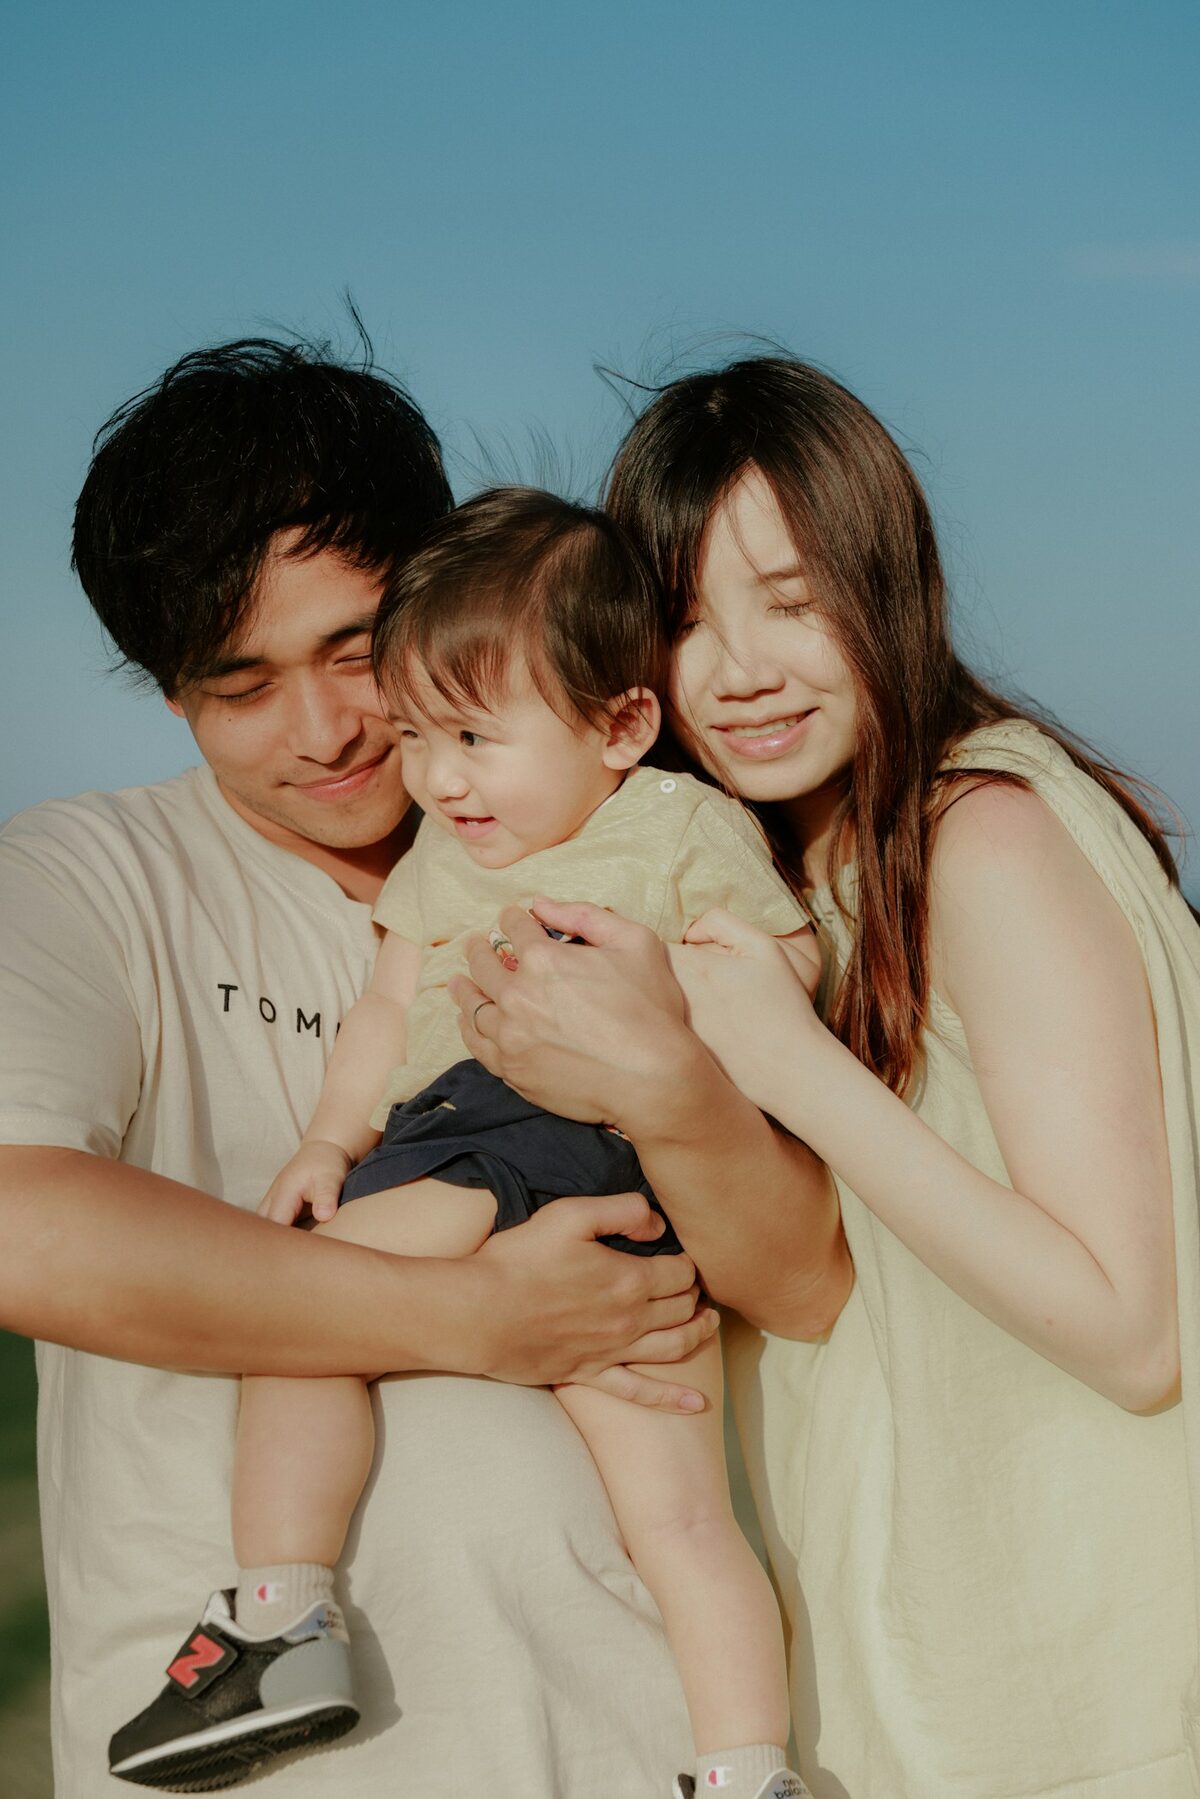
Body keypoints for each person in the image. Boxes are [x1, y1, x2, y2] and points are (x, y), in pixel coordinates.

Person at [0, 338, 747, 1799]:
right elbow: (20, 1220)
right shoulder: (87, 881)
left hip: (643, 1735)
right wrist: (473, 1318)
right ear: (170, 695)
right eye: (242, 685)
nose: (329, 729)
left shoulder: (619, 837)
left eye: (355, 654)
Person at [449, 356, 1200, 1798]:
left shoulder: (985, 837)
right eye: (683, 621)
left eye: (794, 603)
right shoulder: (799, 877)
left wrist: (788, 1063)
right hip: (932, 1687)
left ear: (891, 586)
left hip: (1095, 1704)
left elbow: (1132, 1330)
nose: (740, 673)